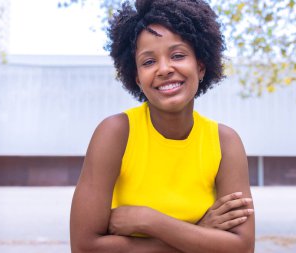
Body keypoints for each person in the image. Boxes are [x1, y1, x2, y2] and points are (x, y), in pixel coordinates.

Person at [70, 0, 255, 252]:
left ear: (200, 67)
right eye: (148, 62)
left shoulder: (225, 142)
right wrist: (200, 234)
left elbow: (242, 248)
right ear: (137, 78)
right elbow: (84, 247)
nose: (165, 69)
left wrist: (150, 221)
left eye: (178, 55)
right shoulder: (115, 133)